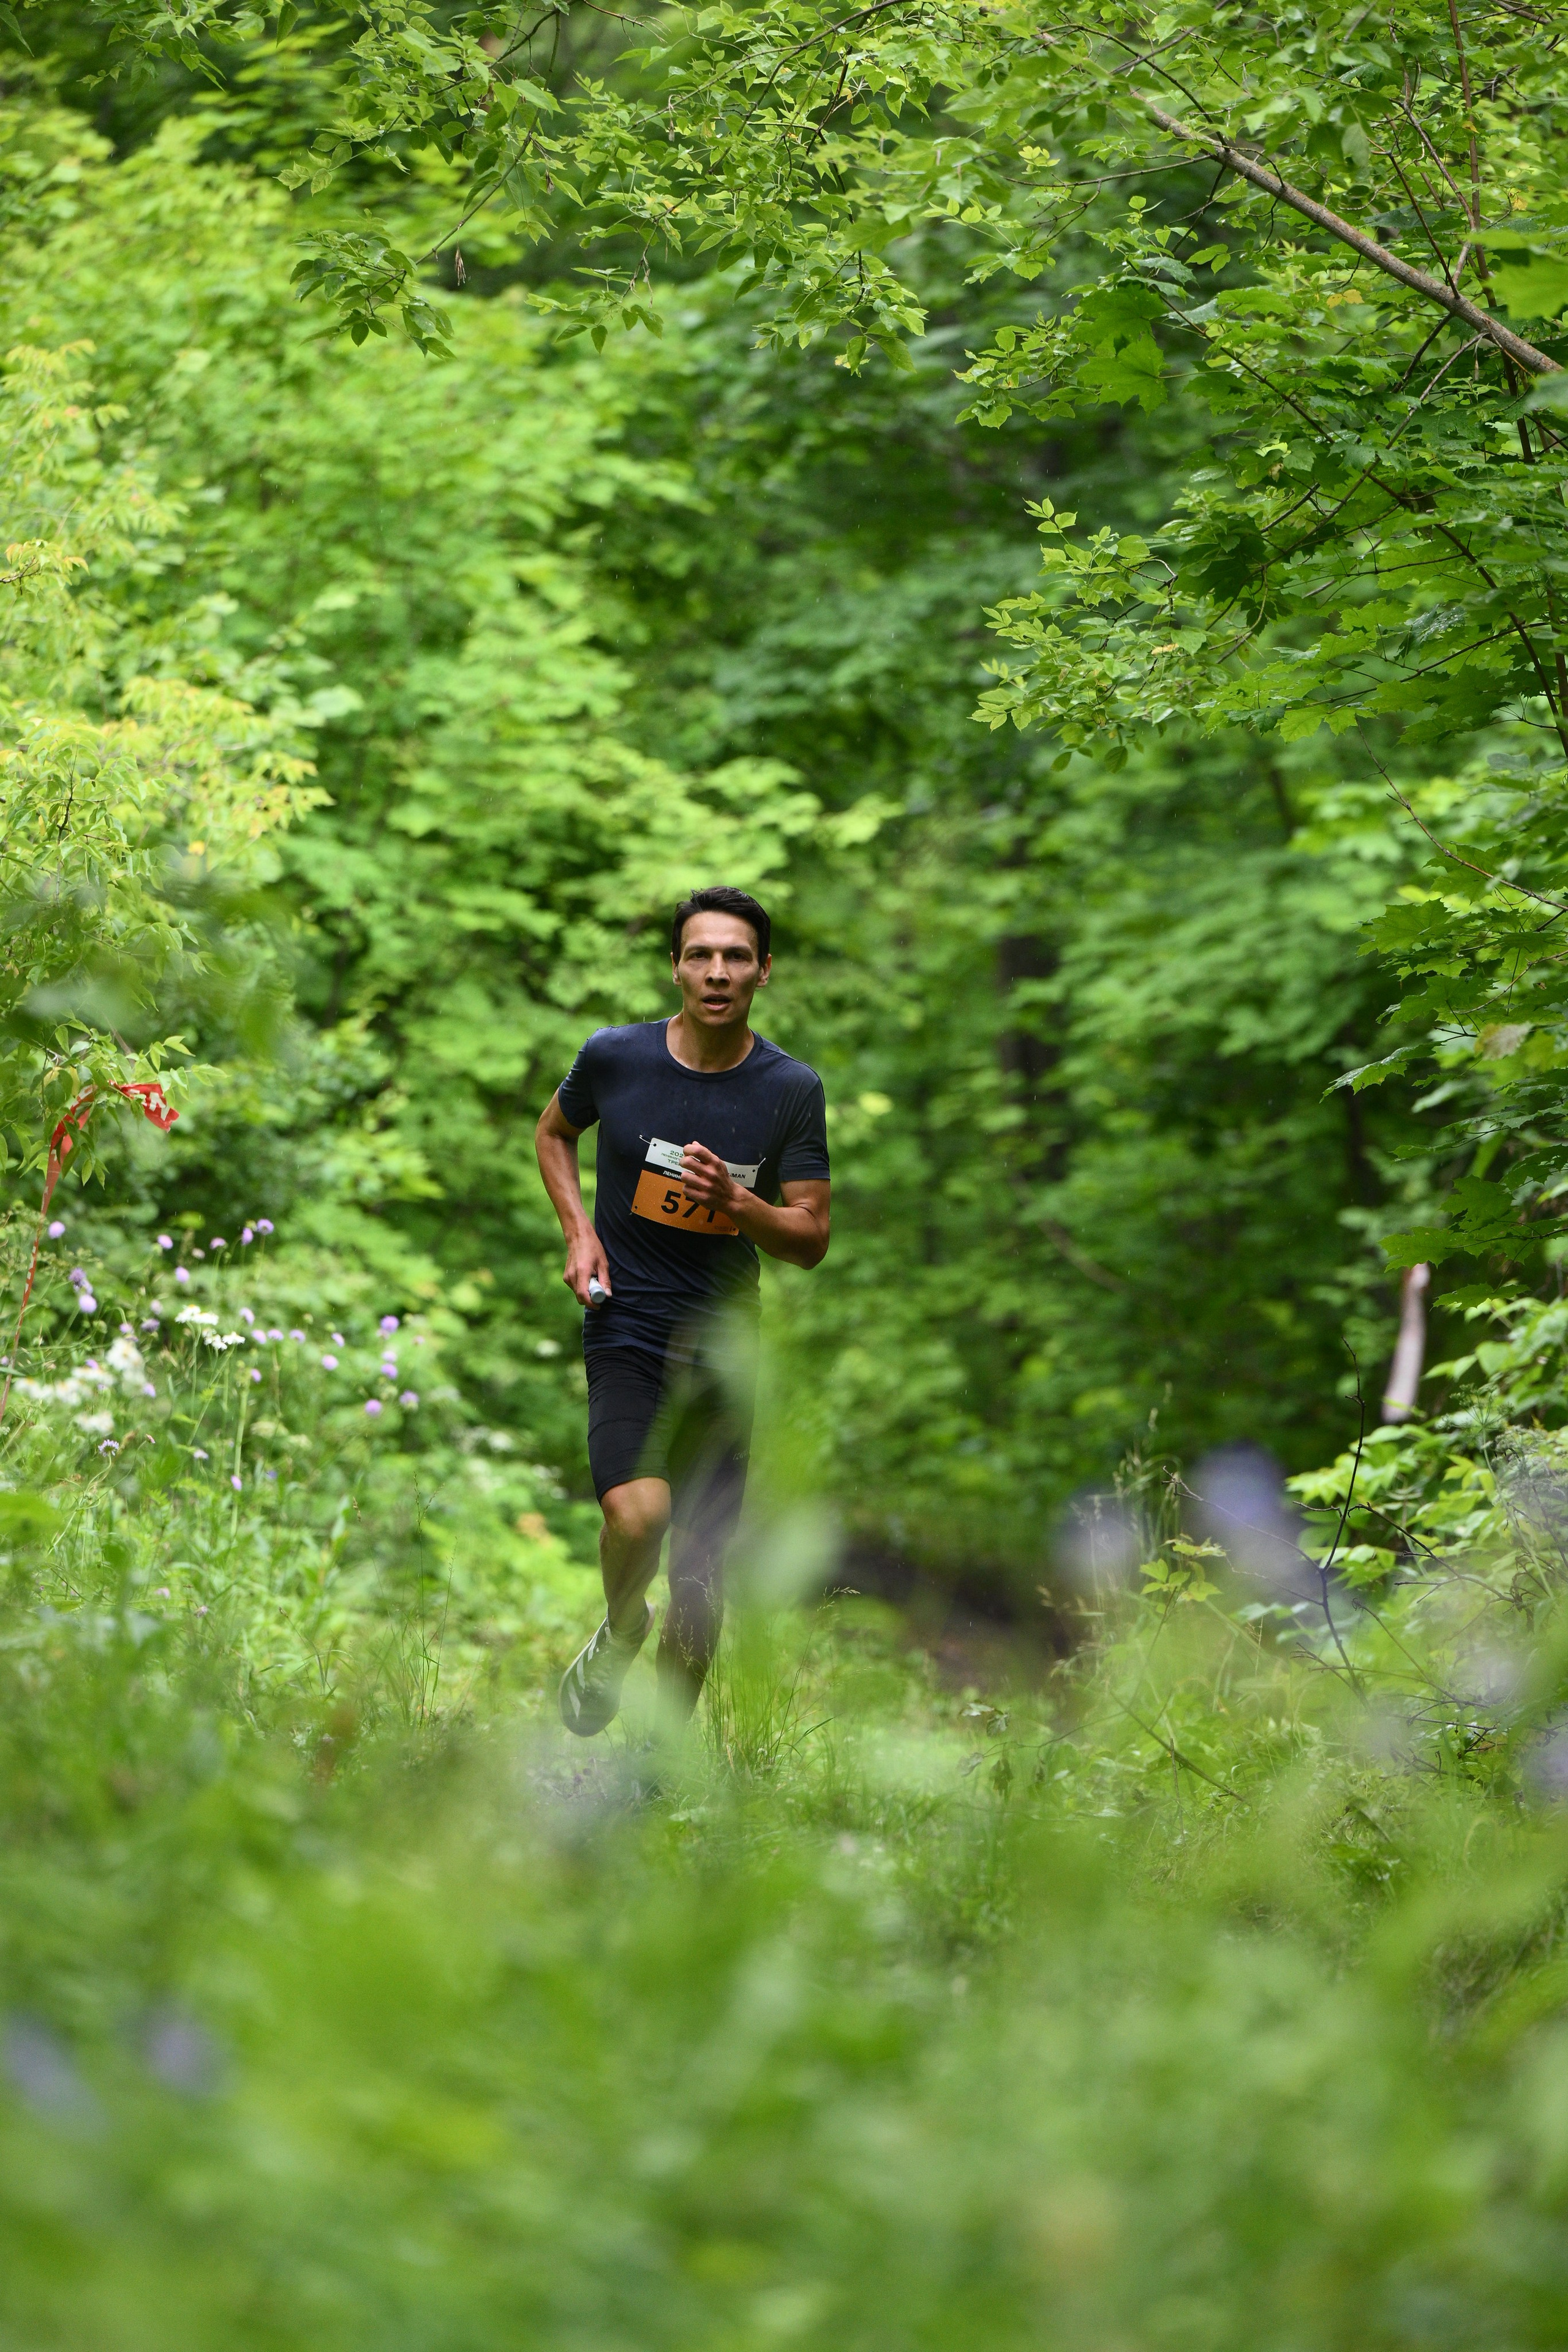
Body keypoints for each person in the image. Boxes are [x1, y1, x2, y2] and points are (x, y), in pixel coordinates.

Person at [534, 885, 831, 1736]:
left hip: (726, 1346)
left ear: (763, 973)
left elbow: (810, 1236)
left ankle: (655, 1771)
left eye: (737, 956)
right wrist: (579, 1234)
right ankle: (622, 1628)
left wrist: (739, 1207)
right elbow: (554, 1132)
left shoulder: (788, 1089)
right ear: (675, 966)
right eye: (700, 954)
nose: (717, 971)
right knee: (638, 1512)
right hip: (627, 1320)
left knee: (701, 1573)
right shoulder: (615, 1058)